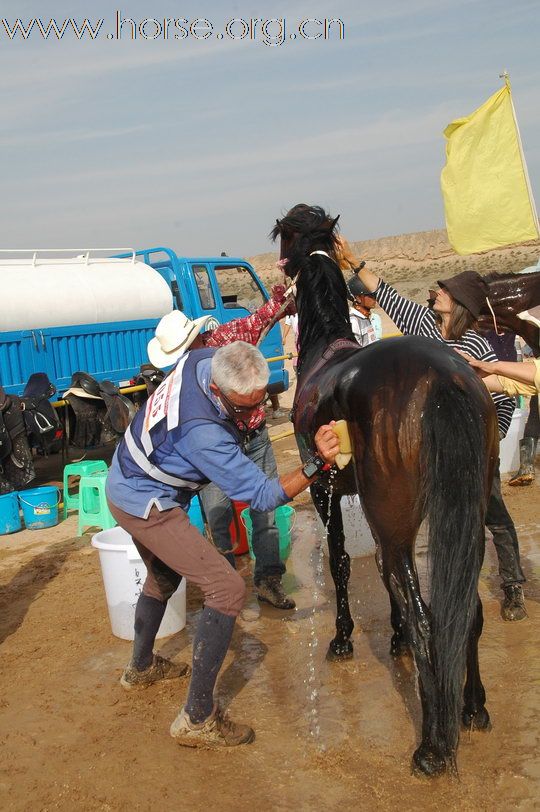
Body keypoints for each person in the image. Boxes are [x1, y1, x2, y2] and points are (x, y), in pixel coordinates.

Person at [106, 341, 339, 747]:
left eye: (261, 404)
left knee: (163, 576)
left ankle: (140, 669)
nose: (256, 417)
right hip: (144, 501)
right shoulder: (204, 434)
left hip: (128, 478)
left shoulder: (201, 359)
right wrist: (315, 464)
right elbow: (262, 497)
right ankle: (197, 719)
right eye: (243, 410)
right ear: (216, 391)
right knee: (226, 587)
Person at [355, 264, 527, 621]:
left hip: (474, 448)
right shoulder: (423, 328)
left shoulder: (477, 344)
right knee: (442, 520)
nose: (438, 293)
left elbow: (504, 399)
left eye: (446, 291)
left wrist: (487, 447)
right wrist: (353, 264)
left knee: (493, 515)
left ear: (460, 303)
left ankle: (512, 586)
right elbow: (387, 294)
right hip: (435, 449)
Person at [147, 289, 298, 611]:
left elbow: (263, 318)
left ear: (198, 339)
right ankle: (226, 587)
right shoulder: (175, 376)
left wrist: (283, 302)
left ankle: (268, 580)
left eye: (188, 349)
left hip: (253, 436)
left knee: (266, 510)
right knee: (217, 516)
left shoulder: (228, 338)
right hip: (213, 450)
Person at [346, 275, 382, 346]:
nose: (374, 299)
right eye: (370, 296)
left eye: (374, 295)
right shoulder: (354, 321)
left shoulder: (368, 317)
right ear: (358, 298)